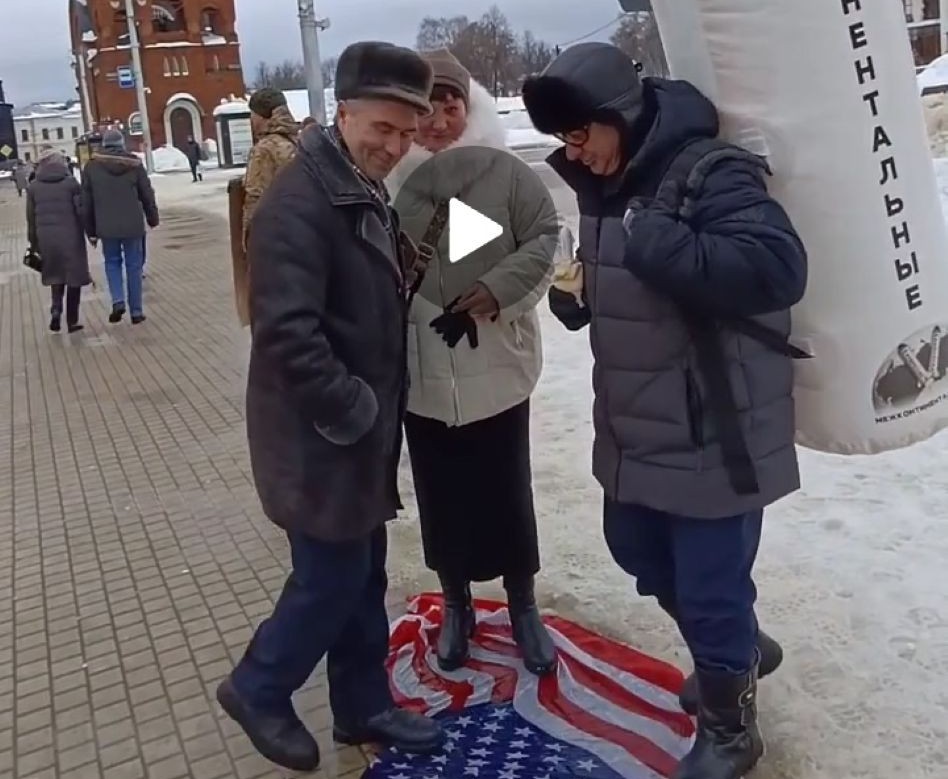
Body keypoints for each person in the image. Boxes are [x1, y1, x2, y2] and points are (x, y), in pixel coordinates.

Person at [522, 43, 807, 779]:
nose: (573, 153)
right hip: (636, 421)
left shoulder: (712, 171)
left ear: (619, 115)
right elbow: (635, 280)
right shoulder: (605, 182)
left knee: (709, 586)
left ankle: (731, 726)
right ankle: (738, 647)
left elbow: (779, 267)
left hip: (713, 423)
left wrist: (663, 247)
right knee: (634, 548)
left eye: (579, 134)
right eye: (563, 140)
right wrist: (581, 296)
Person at [216, 42, 444, 772]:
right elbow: (287, 334)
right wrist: (354, 410)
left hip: (355, 436)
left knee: (363, 573)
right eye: (383, 127)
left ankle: (362, 705)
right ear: (343, 113)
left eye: (406, 132)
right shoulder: (299, 204)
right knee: (330, 580)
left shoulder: (355, 185)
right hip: (317, 437)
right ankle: (258, 686)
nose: (395, 145)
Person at [386, 49, 558, 676]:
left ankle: (522, 604)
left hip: (497, 366)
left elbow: (545, 245)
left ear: (469, 108)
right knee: (441, 496)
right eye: (426, 108)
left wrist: (497, 293)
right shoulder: (386, 180)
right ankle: (457, 604)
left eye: (450, 105)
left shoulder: (501, 172)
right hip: (423, 372)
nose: (438, 120)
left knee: (506, 490)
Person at [81, 128, 159, 325]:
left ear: (104, 144)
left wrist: (90, 231)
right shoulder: (134, 164)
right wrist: (152, 217)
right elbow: (147, 193)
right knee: (134, 265)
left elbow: (86, 202)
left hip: (106, 225)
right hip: (132, 224)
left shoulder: (91, 167)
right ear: (121, 144)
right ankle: (136, 311)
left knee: (112, 262)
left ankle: (117, 300)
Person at [26, 150, 92, 333]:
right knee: (74, 278)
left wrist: (33, 242)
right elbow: (81, 211)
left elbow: (30, 218)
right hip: (71, 237)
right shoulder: (71, 183)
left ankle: (56, 310)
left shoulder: (34, 187)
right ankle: (72, 321)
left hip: (46, 238)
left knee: (56, 275)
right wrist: (90, 232)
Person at [242, 88, 299, 239]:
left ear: (262, 116)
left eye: (253, 114)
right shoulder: (300, 141)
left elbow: (256, 199)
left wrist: (249, 238)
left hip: (276, 235)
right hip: (302, 230)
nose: (251, 120)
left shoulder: (264, 149)